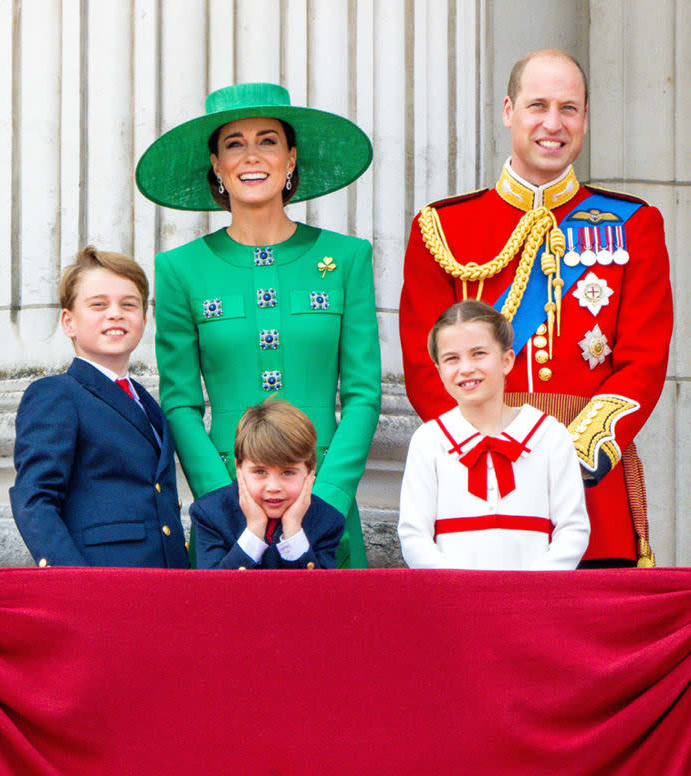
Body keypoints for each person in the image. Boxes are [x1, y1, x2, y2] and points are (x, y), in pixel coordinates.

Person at [399, 49, 672, 567]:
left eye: (569, 108)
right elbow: (423, 361)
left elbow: (644, 361)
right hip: (475, 483)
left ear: (586, 118)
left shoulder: (633, 224)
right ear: (508, 111)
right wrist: (481, 444)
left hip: (590, 484)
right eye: (537, 106)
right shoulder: (443, 228)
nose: (553, 124)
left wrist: (575, 452)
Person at [135, 82, 380, 568]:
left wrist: (327, 494)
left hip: (322, 489)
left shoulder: (348, 257)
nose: (252, 156)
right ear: (216, 164)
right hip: (228, 504)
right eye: (234, 144)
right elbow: (180, 402)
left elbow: (363, 393)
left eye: (267, 140)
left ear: (291, 159)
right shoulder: (180, 268)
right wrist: (225, 501)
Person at [9, 246, 189, 568]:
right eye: (98, 305)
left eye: (129, 305)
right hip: (102, 580)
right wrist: (76, 581)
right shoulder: (56, 394)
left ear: (144, 320)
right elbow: (34, 499)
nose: (115, 313)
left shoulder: (148, 404)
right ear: (69, 322)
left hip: (164, 581)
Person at [398, 301, 590, 570]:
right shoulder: (429, 441)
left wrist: (533, 588)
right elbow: (413, 534)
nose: (466, 368)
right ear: (439, 371)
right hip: (455, 602)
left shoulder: (550, 436)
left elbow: (573, 529)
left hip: (535, 601)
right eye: (452, 358)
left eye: (478, 354)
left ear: (506, 360)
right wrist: (456, 587)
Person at [191, 398, 344, 569]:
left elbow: (319, 593)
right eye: (260, 472)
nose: (273, 487)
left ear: (310, 471)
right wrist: (254, 530)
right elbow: (213, 592)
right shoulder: (211, 514)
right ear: (239, 468)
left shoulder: (327, 520)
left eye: (288, 472)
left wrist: (293, 529)